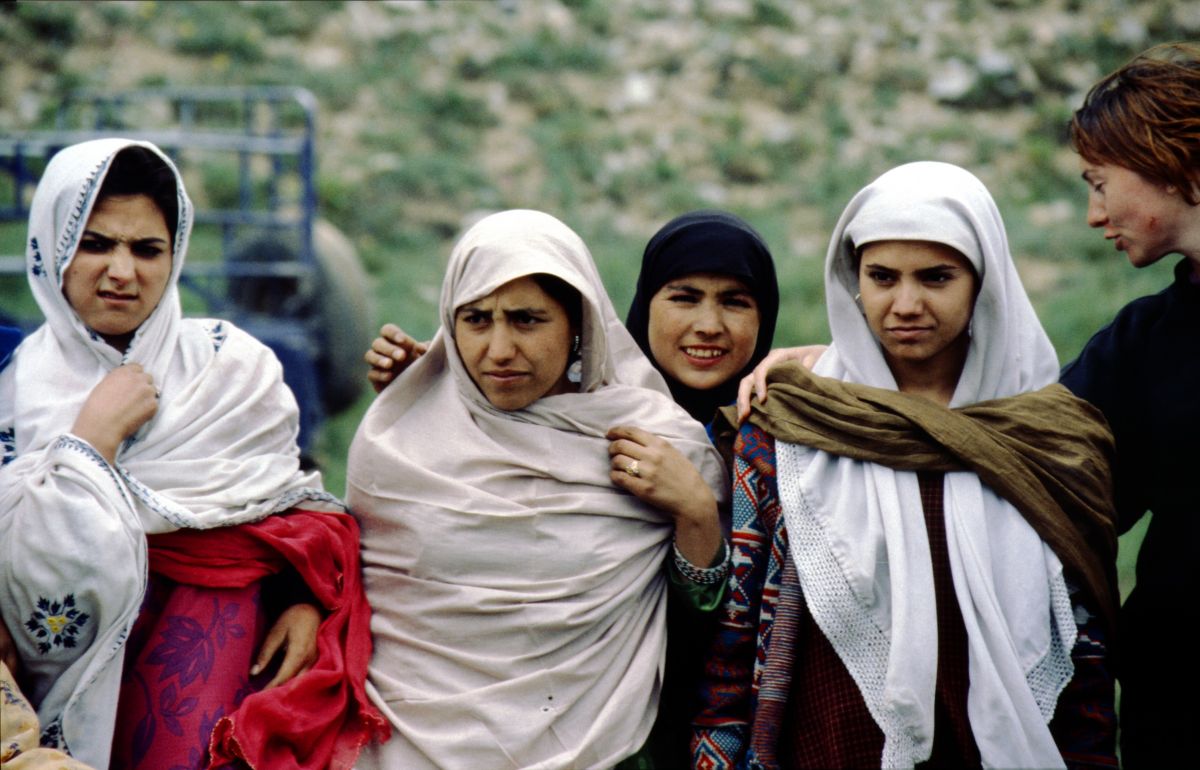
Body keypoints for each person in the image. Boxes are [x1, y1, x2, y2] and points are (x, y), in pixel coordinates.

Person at [693, 161, 1119, 769]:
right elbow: (734, 642)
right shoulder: (790, 426)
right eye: (883, 277)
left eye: (937, 277)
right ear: (854, 281)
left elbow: (1084, 655)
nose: (906, 303)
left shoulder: (1050, 439)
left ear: (984, 283)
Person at [0, 139, 385, 769]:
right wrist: (89, 445)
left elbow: (294, 513)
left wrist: (306, 600)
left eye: (147, 249)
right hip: (42, 690)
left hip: (207, 662)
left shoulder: (228, 369)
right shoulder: (12, 389)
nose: (122, 272)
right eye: (95, 244)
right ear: (52, 248)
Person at [346, 209, 729, 769]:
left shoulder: (657, 444)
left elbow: (710, 633)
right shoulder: (399, 442)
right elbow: (352, 592)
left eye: (527, 320)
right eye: (476, 320)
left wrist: (696, 514)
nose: (499, 349)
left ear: (579, 323)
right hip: (405, 747)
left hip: (595, 749)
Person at [1061, 41, 1200, 768]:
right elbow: (1031, 451)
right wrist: (839, 375)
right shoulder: (1144, 342)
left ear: (1175, 164)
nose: (1094, 213)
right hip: (1178, 709)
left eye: (1099, 182)